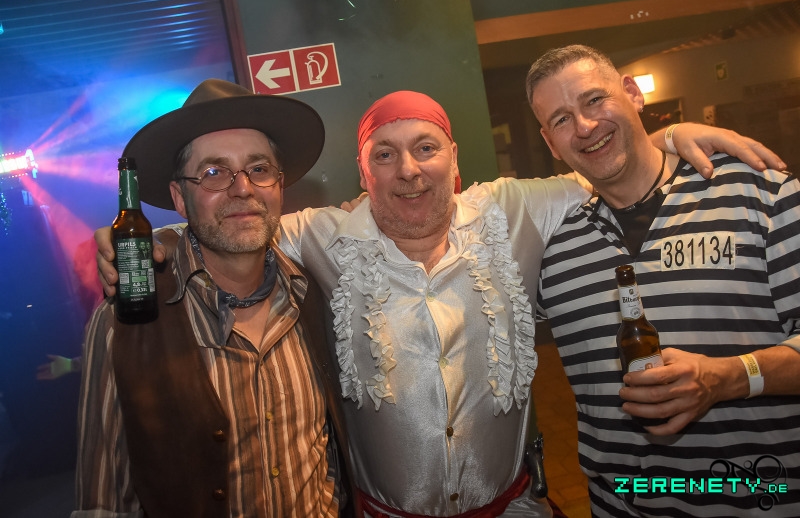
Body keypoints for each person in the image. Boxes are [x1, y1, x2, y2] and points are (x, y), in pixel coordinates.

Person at [95, 86, 782, 517]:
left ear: (454, 160)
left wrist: (664, 137)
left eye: (425, 149)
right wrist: (148, 242)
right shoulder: (321, 236)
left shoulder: (515, 210)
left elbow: (610, 167)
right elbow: (234, 227)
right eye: (384, 155)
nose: (408, 171)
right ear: (363, 172)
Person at [528, 44, 800, 517]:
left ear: (632, 93)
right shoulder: (551, 250)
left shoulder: (761, 195)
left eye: (595, 100)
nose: (585, 126)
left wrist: (729, 377)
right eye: (562, 119)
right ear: (550, 143)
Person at [73, 79, 351, 518]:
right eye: (214, 173)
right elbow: (103, 503)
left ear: (279, 186)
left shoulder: (313, 294)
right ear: (180, 199)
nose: (243, 189)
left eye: (259, 169)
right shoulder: (124, 324)